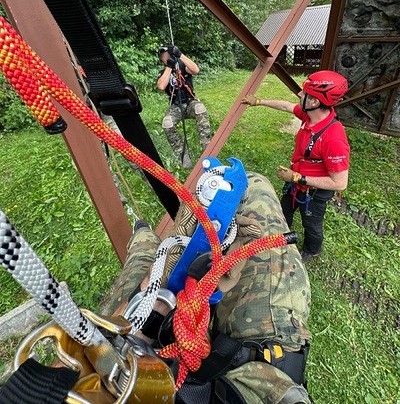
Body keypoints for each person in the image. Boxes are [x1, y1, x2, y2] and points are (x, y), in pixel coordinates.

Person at [107, 170, 313, 404]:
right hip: (264, 380)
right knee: (255, 184)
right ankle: (142, 235)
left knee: (143, 251)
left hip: (137, 367)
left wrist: (149, 319)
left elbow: (86, 366)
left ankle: (141, 232)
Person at [242, 70, 350, 264]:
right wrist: (259, 102)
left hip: (314, 191)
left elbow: (340, 183)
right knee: (284, 210)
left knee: (312, 223)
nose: (299, 94)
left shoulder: (333, 138)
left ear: (315, 102)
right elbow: (286, 106)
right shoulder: (310, 117)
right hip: (296, 182)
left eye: (304, 92)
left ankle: (312, 250)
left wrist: (298, 178)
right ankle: (281, 235)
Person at [157, 45, 212, 169]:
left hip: (190, 102)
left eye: (170, 55)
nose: (168, 57)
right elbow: (161, 86)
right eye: (165, 57)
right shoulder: (162, 73)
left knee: (200, 109)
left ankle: (208, 149)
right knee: (167, 123)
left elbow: (196, 70)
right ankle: (183, 155)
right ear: (162, 61)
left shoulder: (183, 67)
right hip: (176, 106)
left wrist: (180, 55)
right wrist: (168, 67)